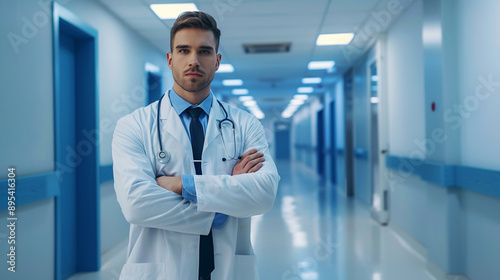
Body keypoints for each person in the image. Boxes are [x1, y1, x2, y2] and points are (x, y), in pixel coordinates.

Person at [112, 11, 280, 280]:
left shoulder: (245, 124)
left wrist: (181, 184)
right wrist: (219, 211)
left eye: (204, 51)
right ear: (170, 59)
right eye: (183, 50)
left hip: (229, 270)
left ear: (217, 61)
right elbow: (137, 204)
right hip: (160, 271)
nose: (193, 60)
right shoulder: (133, 126)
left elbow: (264, 192)